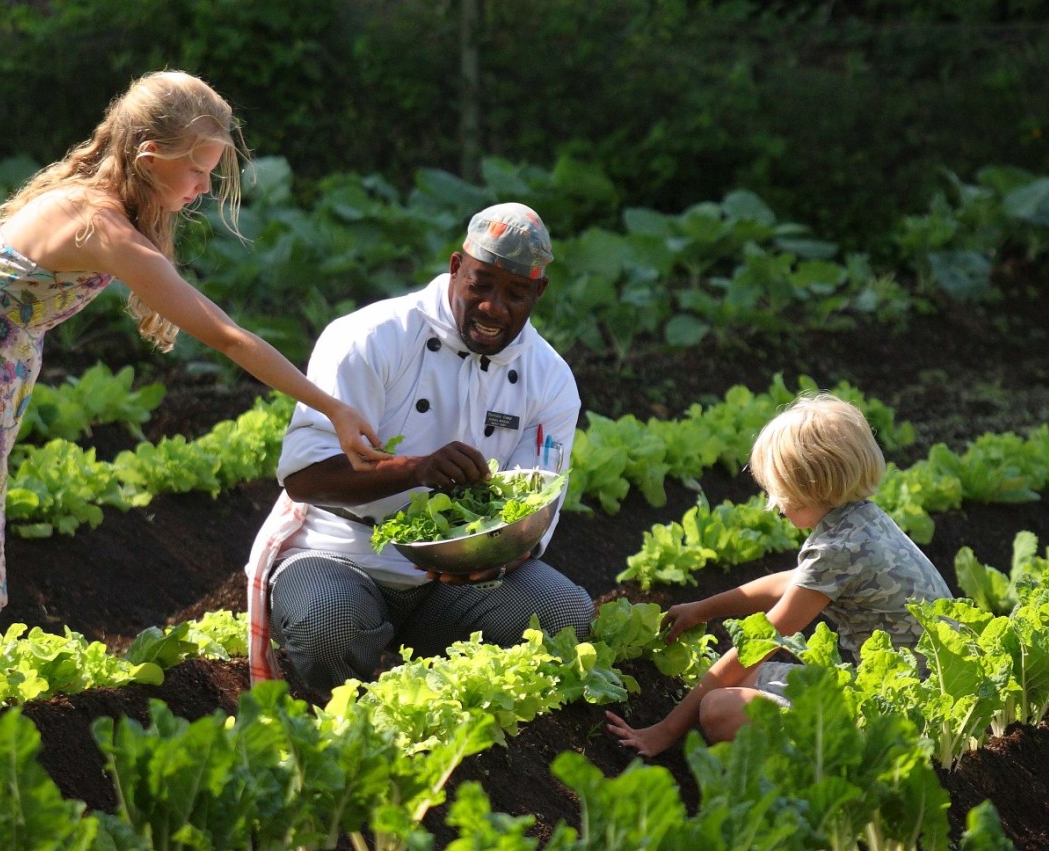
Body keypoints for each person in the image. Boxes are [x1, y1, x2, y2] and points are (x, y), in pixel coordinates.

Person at [0, 70, 386, 665]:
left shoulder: (92, 194)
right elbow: (227, 336)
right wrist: (332, 407)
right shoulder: (101, 225)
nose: (203, 187)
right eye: (198, 170)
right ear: (150, 157)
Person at [244, 201, 595, 694]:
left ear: (540, 291)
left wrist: (491, 556)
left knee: (564, 617)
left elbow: (537, 499)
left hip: (455, 583)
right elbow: (303, 478)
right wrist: (413, 471)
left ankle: (438, 705)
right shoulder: (372, 336)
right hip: (342, 551)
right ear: (455, 268)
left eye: (517, 293)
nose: (494, 306)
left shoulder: (550, 378)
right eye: (480, 284)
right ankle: (348, 705)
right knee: (329, 627)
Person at [605, 391, 951, 756]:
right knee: (748, 682)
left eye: (780, 492)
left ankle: (818, 774)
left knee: (719, 710)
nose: (777, 505)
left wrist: (665, 730)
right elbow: (790, 581)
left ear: (808, 488)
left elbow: (761, 642)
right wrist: (704, 609)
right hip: (907, 696)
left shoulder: (839, 551)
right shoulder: (863, 521)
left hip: (900, 719)